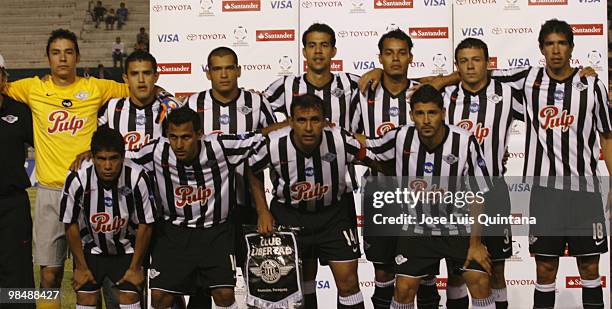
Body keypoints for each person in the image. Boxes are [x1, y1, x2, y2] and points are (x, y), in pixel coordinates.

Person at [1, 28, 130, 309]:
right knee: (49, 275)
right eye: (56, 53)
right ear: (47, 58)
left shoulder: (95, 87)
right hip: (50, 193)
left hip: (90, 193)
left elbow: (136, 89)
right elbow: (2, 87)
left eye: (68, 52)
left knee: (95, 276)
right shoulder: (31, 88)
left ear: (77, 57)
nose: (62, 59)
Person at [491, 19, 612, 309]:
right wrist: (441, 81)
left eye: (561, 43)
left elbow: (607, 137)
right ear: (541, 48)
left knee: (590, 269)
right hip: (545, 194)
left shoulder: (592, 85)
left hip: (584, 192)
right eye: (550, 44)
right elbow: (479, 74)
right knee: (545, 270)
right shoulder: (528, 79)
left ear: (571, 47)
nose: (556, 50)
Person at [362, 85, 495, 309]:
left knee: (480, 281)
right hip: (417, 229)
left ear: (443, 113)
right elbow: (367, 146)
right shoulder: (401, 136)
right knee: (403, 289)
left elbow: (478, 195)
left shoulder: (463, 141)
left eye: (432, 113)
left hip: (458, 228)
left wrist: (476, 244)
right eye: (420, 113)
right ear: (412, 114)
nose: (426, 120)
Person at [127, 107, 265, 309]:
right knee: (159, 298)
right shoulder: (157, 150)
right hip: (173, 233)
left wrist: (291, 124)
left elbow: (260, 138)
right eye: (173, 137)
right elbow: (119, 158)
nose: (179, 144)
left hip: (216, 232)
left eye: (186, 137)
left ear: (199, 134)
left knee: (224, 294)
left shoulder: (220, 146)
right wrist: (90, 154)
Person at [249, 94, 367, 309]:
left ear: (324, 121)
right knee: (296, 286)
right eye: (302, 120)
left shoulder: (340, 138)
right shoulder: (275, 143)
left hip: (333, 215)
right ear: (291, 122)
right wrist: (262, 210)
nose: (309, 127)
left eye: (315, 119)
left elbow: (372, 156)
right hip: (289, 215)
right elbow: (252, 169)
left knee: (349, 283)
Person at [352, 29, 442, 309]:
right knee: (383, 271)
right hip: (380, 193)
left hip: (420, 195)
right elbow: (351, 143)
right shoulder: (365, 94)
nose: (395, 59)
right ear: (380, 58)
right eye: (389, 53)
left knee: (424, 271)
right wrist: (379, 161)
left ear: (410, 57)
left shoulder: (421, 92)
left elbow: (466, 76)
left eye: (401, 52)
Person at [185, 46, 278, 309]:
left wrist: (265, 209)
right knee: (203, 285)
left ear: (238, 70)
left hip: (247, 205)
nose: (224, 74)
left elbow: (270, 145)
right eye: (217, 68)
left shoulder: (257, 103)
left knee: (259, 277)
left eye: (229, 68)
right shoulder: (193, 104)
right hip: (207, 211)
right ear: (208, 73)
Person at [442, 38, 523, 309]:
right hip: (456, 195)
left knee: (497, 268)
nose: (470, 66)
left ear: (488, 63)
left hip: (494, 189)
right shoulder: (445, 97)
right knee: (457, 271)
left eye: (476, 59)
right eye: (463, 61)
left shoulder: (508, 94)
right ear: (457, 66)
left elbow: (545, 101)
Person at [60, 127, 155, 309]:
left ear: (123, 156)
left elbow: (146, 224)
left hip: (127, 249)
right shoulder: (77, 177)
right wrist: (80, 267)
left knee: (129, 297)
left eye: (113, 158)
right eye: (101, 159)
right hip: (91, 249)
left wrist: (135, 268)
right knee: (87, 298)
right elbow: (69, 223)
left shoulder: (137, 177)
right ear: (93, 157)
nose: (108, 166)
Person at [0, 54, 35, 309]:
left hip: (12, 206)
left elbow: (49, 144)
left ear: (4, 78)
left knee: (19, 277)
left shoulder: (19, 112)